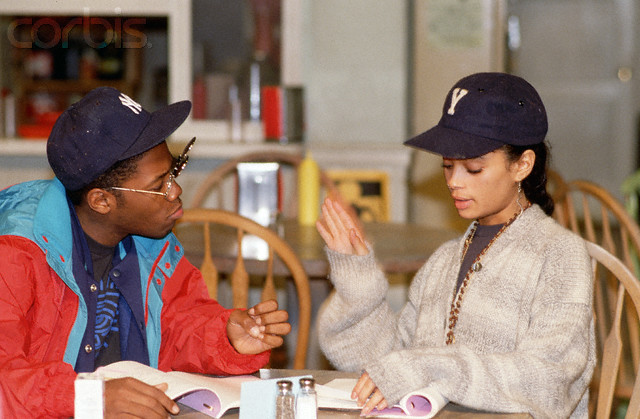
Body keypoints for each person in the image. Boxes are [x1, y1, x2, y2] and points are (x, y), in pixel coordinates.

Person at [316, 72, 595, 418]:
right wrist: (358, 283)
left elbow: (548, 380)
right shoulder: (444, 261)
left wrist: (434, 367)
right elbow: (387, 364)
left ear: (522, 164)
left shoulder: (560, 256)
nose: (454, 182)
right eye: (447, 166)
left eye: (473, 169)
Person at [0, 87, 291, 418]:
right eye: (159, 185)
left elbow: (175, 326)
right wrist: (92, 399)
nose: (176, 190)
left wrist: (226, 337)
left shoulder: (151, 240)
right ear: (102, 201)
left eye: (174, 171)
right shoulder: (15, 253)